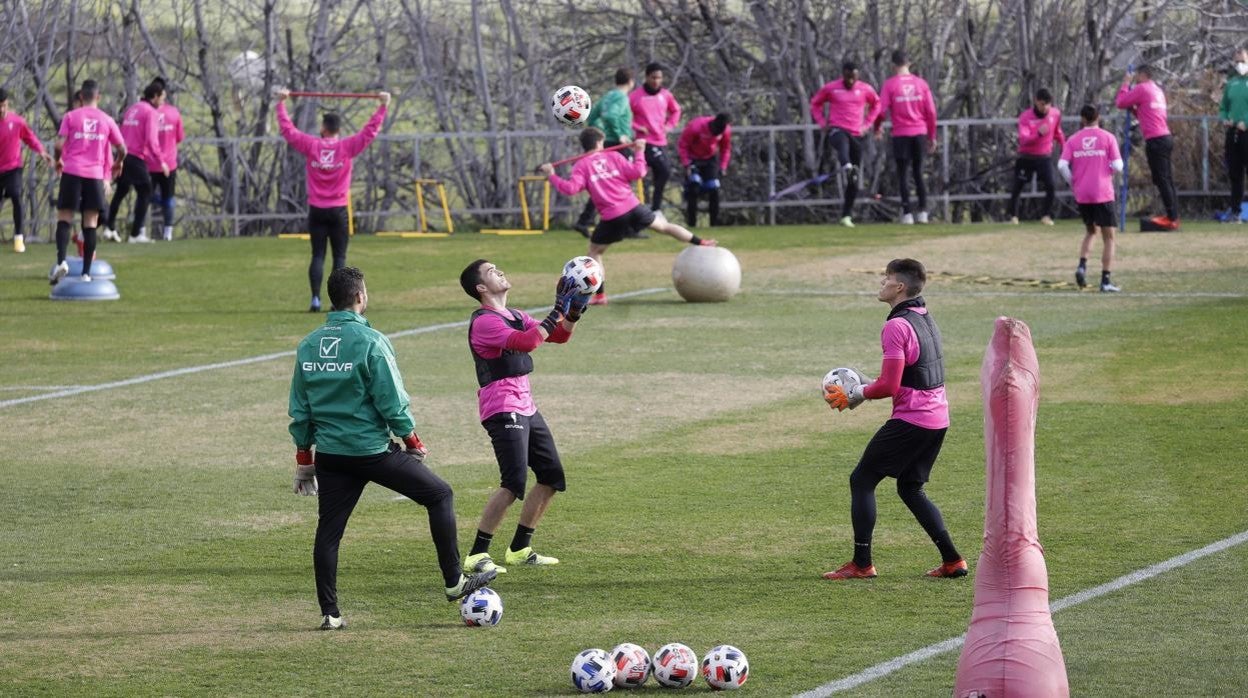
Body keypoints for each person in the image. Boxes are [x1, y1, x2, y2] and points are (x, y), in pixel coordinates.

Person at [288, 266, 496, 631]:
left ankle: (330, 613)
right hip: (372, 452)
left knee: (329, 532)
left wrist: (305, 461)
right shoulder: (371, 342)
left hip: (332, 458)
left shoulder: (308, 345)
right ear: (359, 297)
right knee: (440, 495)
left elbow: (300, 409)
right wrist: (412, 441)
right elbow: (391, 400)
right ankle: (453, 583)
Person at [822, 258, 967, 581]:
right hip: (937, 418)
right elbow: (907, 376)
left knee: (862, 480)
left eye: (885, 279)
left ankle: (862, 564)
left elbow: (889, 385)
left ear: (899, 287)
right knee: (910, 488)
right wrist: (865, 388)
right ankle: (953, 560)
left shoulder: (895, 326)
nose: (881, 283)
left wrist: (857, 392)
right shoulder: (924, 317)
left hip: (913, 420)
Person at [457, 260, 586, 575]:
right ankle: (477, 555)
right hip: (501, 406)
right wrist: (558, 307)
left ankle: (519, 548)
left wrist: (574, 312)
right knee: (513, 483)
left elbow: (558, 337)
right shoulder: (485, 322)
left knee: (551, 477)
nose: (499, 271)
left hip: (526, 404)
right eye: (491, 271)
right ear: (481, 288)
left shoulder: (515, 315)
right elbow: (527, 342)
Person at [541, 128, 716, 306]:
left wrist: (552, 176)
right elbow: (639, 173)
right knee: (664, 226)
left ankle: (600, 296)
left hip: (612, 217)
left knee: (595, 252)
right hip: (633, 207)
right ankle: (701, 242)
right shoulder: (614, 156)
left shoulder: (581, 165)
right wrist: (639, 152)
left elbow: (570, 189)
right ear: (600, 142)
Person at [276, 89, 388, 312]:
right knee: (339, 257)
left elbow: (288, 131)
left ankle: (315, 299)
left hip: (316, 209)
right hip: (338, 210)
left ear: (323, 128)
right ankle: (338, 303)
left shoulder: (312, 145)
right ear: (338, 130)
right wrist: (383, 107)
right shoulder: (346, 147)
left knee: (317, 254)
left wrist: (280, 104)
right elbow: (369, 131)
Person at [50, 79, 125, 284]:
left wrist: (58, 161)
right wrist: (118, 163)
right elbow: (123, 148)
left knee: (65, 217)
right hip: (94, 175)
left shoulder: (71, 116)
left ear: (81, 97)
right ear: (98, 97)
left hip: (72, 171)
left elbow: (58, 145)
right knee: (90, 222)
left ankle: (61, 262)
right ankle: (85, 274)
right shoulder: (107, 120)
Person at [1059, 105, 1123, 293]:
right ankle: (1105, 280)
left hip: (1083, 193)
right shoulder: (1107, 137)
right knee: (1109, 237)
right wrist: (1107, 170)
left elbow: (1062, 165)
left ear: (1082, 119)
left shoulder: (1073, 140)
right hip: (1102, 192)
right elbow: (1118, 165)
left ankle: (1082, 266)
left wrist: (1074, 181)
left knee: (1090, 231)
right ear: (1098, 118)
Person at [810, 60, 881, 227]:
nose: (850, 81)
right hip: (837, 130)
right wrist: (822, 122)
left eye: (853, 77)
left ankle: (846, 216)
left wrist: (867, 124)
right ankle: (846, 166)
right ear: (843, 74)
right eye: (848, 77)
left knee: (854, 180)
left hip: (857, 133)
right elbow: (815, 104)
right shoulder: (831, 88)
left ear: (857, 76)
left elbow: (877, 105)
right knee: (842, 144)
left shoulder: (865, 89)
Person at [873, 50, 937, 224]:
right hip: (920, 132)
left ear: (893, 65)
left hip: (901, 134)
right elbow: (931, 112)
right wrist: (932, 136)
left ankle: (907, 213)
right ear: (909, 64)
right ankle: (923, 212)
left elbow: (881, 111)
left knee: (903, 174)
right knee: (918, 172)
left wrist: (877, 128)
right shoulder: (921, 84)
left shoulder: (890, 85)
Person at [103, 81, 169, 244]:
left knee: (121, 191)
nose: (163, 102)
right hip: (136, 156)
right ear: (154, 97)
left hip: (124, 154)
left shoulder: (133, 108)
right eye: (162, 98)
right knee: (146, 190)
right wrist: (161, 162)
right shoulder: (151, 113)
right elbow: (151, 140)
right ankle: (135, 234)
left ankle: (108, 227)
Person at [1116, 65, 1179, 229]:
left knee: (1162, 179)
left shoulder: (1142, 88)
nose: (1135, 77)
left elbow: (1120, 102)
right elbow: (1147, 114)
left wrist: (1125, 84)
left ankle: (1172, 217)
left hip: (1156, 140)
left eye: (1136, 75)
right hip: (1165, 137)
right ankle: (1173, 214)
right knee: (1165, 179)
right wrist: (1135, 110)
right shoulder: (1157, 90)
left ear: (1143, 75)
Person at [574, 68, 634, 237]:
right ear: (631, 81)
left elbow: (592, 116)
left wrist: (600, 134)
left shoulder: (608, 96)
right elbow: (612, 116)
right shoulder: (621, 97)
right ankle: (626, 225)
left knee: (603, 183)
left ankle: (584, 220)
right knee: (621, 183)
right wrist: (620, 134)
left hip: (606, 142)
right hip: (618, 144)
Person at [0, 87, 54, 254]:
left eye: (3, 105)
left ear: (7, 104)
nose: (1, 109)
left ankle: (18, 238)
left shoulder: (17, 122)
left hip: (13, 168)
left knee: (16, 195)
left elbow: (30, 138)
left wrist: (42, 152)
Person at [629, 62, 682, 228]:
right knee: (643, 175)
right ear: (646, 77)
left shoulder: (666, 95)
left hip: (660, 142)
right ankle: (642, 212)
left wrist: (669, 126)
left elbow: (676, 111)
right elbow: (625, 117)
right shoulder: (636, 96)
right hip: (644, 143)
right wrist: (637, 127)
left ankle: (654, 209)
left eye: (659, 77)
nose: (656, 81)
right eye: (653, 77)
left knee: (664, 172)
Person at [1008, 89, 1065, 225]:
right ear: (1036, 101)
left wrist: (1064, 145)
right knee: (1018, 186)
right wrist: (1038, 134)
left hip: (1044, 157)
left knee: (1051, 185)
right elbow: (1024, 139)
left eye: (1048, 104)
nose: (1045, 107)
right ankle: (1013, 217)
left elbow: (1057, 132)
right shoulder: (1025, 117)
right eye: (1042, 104)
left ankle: (1046, 216)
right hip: (1026, 157)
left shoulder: (1055, 113)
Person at [677, 112, 732, 227]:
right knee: (694, 187)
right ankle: (692, 224)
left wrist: (723, 166)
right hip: (693, 159)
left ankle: (714, 225)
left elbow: (725, 149)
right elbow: (683, 144)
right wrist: (687, 164)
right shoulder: (696, 126)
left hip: (710, 160)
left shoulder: (725, 130)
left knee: (714, 189)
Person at [147, 77, 184, 241]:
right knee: (168, 198)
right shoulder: (173, 112)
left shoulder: (146, 111)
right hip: (169, 163)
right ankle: (168, 232)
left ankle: (140, 230)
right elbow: (179, 137)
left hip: (149, 162)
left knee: (145, 196)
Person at [1220, 48, 1248, 222]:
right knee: (1235, 174)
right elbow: (1223, 107)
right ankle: (1235, 211)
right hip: (1233, 133)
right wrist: (1225, 118)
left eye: (1243, 61)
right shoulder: (1232, 83)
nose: (1240, 65)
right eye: (1237, 62)